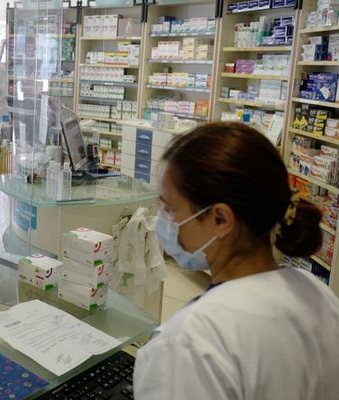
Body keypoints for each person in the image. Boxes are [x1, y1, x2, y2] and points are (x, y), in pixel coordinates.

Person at [133, 122, 339, 399]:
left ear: (220, 219)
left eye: (171, 209)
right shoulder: (317, 293)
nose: (165, 222)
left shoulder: (190, 343)